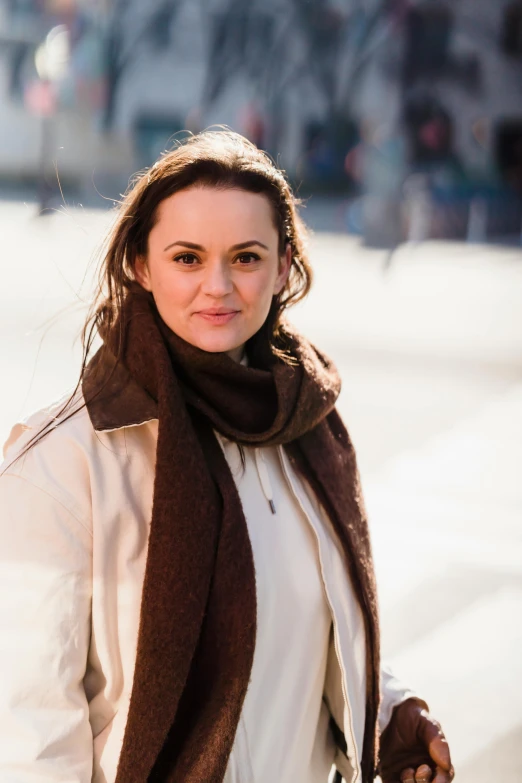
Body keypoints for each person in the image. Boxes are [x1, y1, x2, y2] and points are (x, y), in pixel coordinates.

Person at [0, 130, 454, 783]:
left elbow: (304, 624)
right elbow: (29, 740)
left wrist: (388, 712)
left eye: (245, 257)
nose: (218, 286)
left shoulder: (308, 430)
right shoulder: (61, 465)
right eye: (187, 257)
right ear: (140, 264)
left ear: (283, 266)